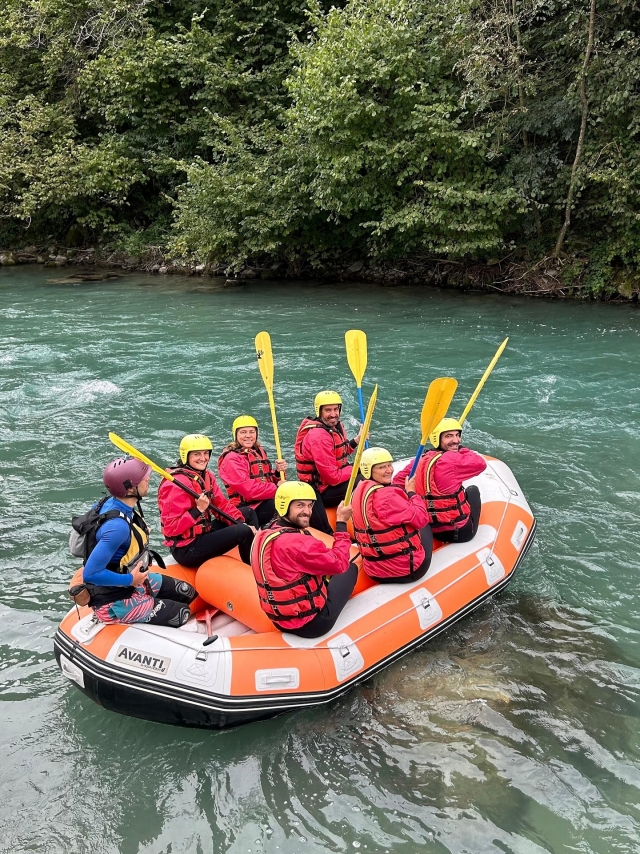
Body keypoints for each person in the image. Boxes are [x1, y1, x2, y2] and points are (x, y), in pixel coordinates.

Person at [77, 458, 197, 626]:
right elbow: (91, 574)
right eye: (143, 479)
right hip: (114, 599)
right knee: (182, 614)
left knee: (186, 591)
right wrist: (130, 580)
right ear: (130, 488)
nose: (148, 479)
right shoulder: (117, 528)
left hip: (130, 580)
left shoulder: (114, 503)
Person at [250, 481, 358, 638]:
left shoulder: (265, 532)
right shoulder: (298, 544)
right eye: (300, 505)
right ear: (284, 506)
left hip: (279, 620)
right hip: (311, 623)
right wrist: (341, 523)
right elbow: (339, 564)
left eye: (310, 505)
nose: (307, 511)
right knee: (350, 568)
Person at [158, 433, 257, 567]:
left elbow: (221, 505)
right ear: (186, 456)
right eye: (197, 454)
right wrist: (197, 510)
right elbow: (171, 529)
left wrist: (240, 522)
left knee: (248, 513)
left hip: (204, 533)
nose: (203, 458)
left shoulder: (206, 476)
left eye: (206, 453)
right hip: (186, 548)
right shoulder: (174, 485)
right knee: (244, 531)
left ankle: (253, 552)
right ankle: (253, 569)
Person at [393, 418, 486, 543]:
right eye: (449, 436)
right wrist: (461, 448)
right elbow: (480, 464)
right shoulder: (451, 460)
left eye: (457, 435)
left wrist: (413, 493)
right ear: (437, 438)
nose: (456, 440)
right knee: (473, 490)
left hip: (430, 528)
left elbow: (398, 481)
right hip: (458, 532)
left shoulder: (422, 458)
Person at [352, 447, 432, 583]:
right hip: (407, 570)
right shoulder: (388, 496)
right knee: (424, 523)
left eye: (389, 464)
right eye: (382, 467)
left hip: (373, 570)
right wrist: (411, 493)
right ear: (368, 470)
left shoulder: (359, 490)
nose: (389, 470)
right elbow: (421, 519)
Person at [294, 390, 364, 534]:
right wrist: (357, 467)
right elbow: (333, 477)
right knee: (363, 478)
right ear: (319, 411)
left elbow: (340, 452)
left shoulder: (336, 426)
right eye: (328, 410)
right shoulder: (318, 436)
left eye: (336, 409)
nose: (333, 414)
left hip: (330, 483)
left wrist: (357, 440)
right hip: (320, 490)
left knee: (367, 472)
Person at [217, 415, 286, 527]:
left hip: (263, 501)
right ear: (236, 435)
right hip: (246, 508)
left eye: (252, 432)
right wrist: (277, 488)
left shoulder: (258, 451)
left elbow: (265, 480)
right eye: (243, 432)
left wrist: (277, 473)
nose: (248, 435)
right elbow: (249, 490)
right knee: (277, 504)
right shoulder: (231, 458)